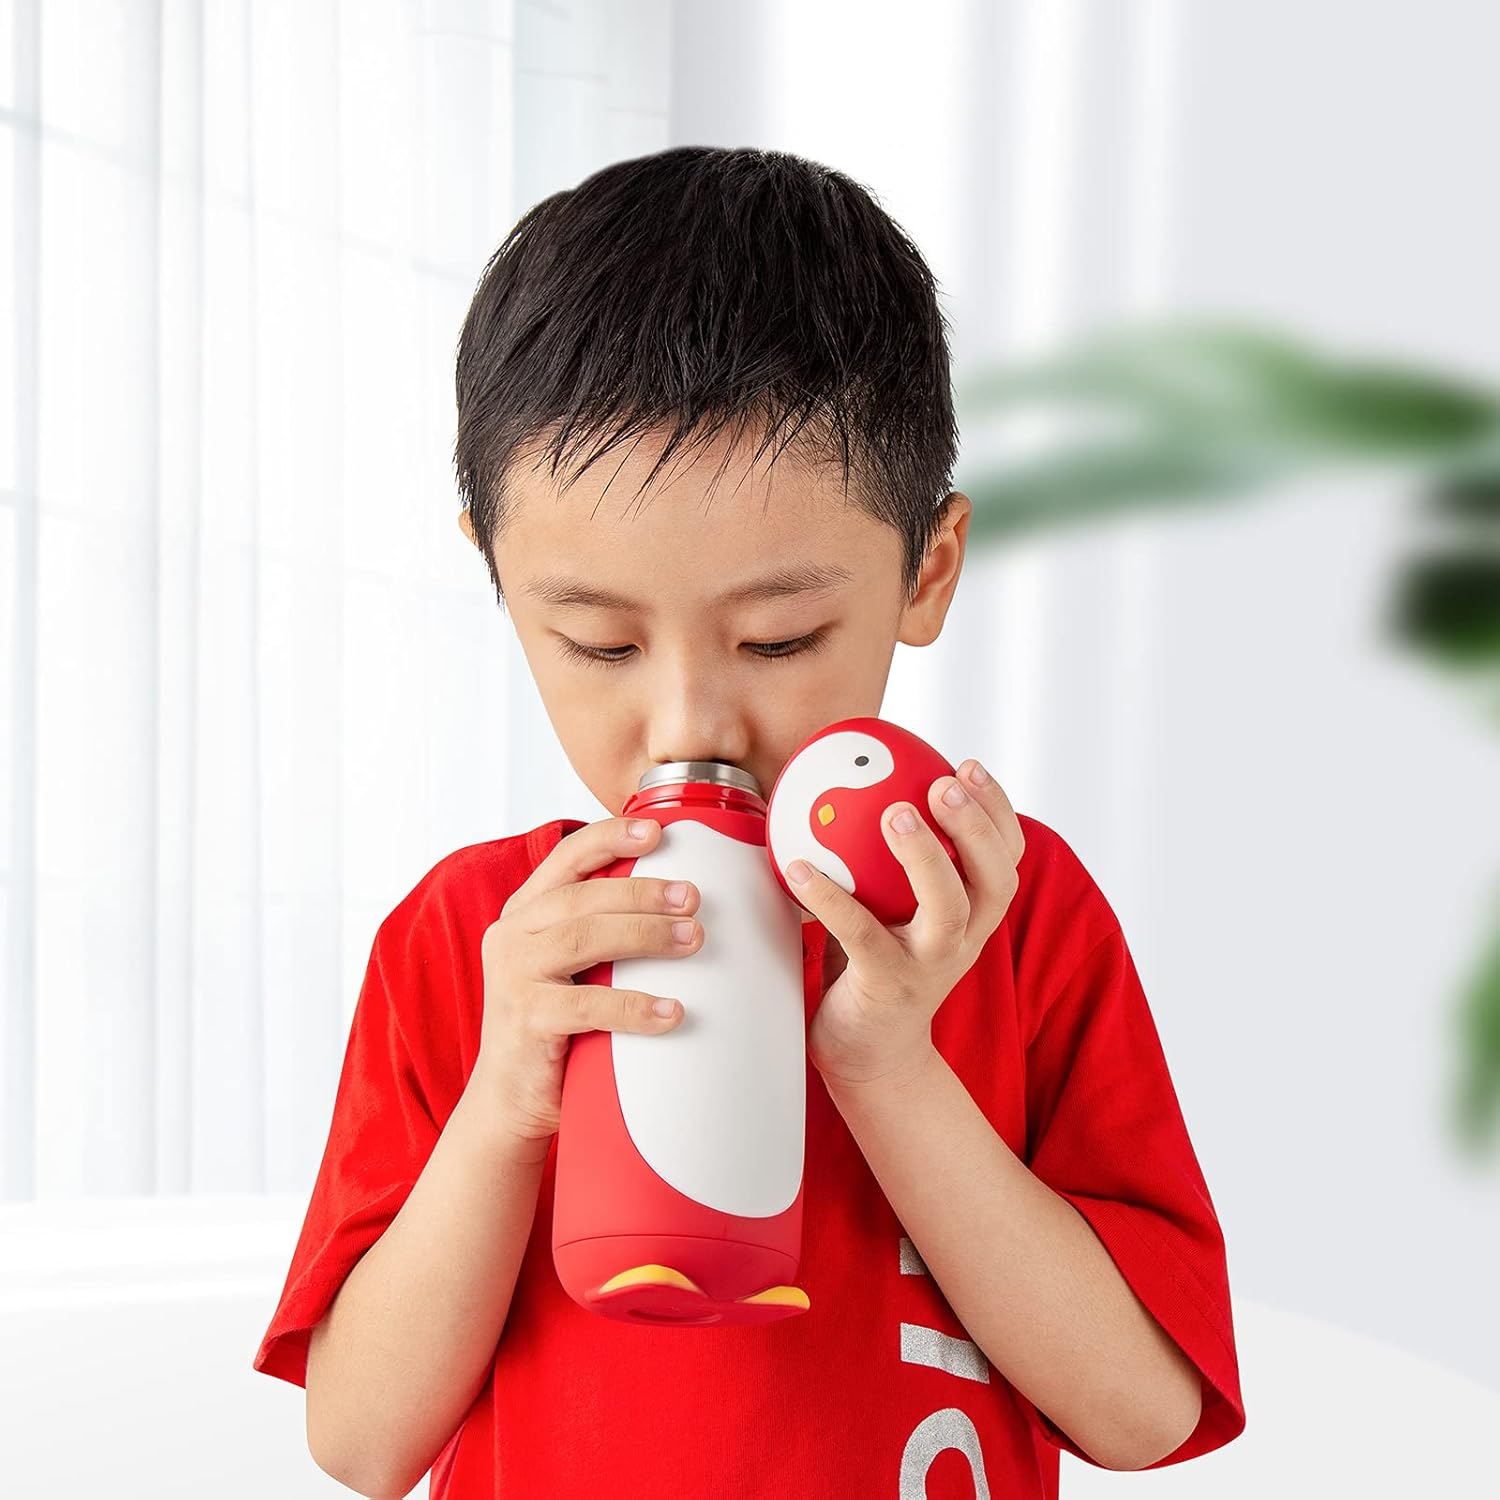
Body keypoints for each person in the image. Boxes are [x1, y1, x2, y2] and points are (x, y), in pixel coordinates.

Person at [252, 146, 1245, 1498]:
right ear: (498, 576)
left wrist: (888, 1069)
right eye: (599, 644)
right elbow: (361, 1444)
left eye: (778, 639)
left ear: (927, 570)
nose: (688, 725)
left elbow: (1143, 1414)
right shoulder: (477, 943)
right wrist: (503, 1104)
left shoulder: (999, 912)